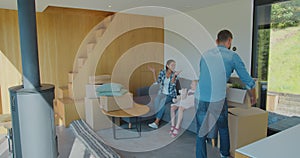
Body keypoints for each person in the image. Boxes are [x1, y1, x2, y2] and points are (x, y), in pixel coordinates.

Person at [194, 30, 256, 158]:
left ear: (217, 41)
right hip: (217, 100)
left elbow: (204, 75)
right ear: (229, 41)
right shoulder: (232, 56)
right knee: (222, 128)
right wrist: (253, 96)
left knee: (201, 132)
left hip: (200, 98)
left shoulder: (205, 54)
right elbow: (247, 80)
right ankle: (224, 155)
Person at [148, 60, 181, 129]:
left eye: (174, 65)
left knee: (162, 102)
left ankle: (156, 122)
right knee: (157, 100)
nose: (174, 67)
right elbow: (157, 82)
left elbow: (172, 85)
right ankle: (157, 117)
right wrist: (153, 72)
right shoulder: (162, 72)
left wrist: (174, 76)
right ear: (167, 65)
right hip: (162, 93)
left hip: (170, 94)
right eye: (172, 65)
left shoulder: (175, 74)